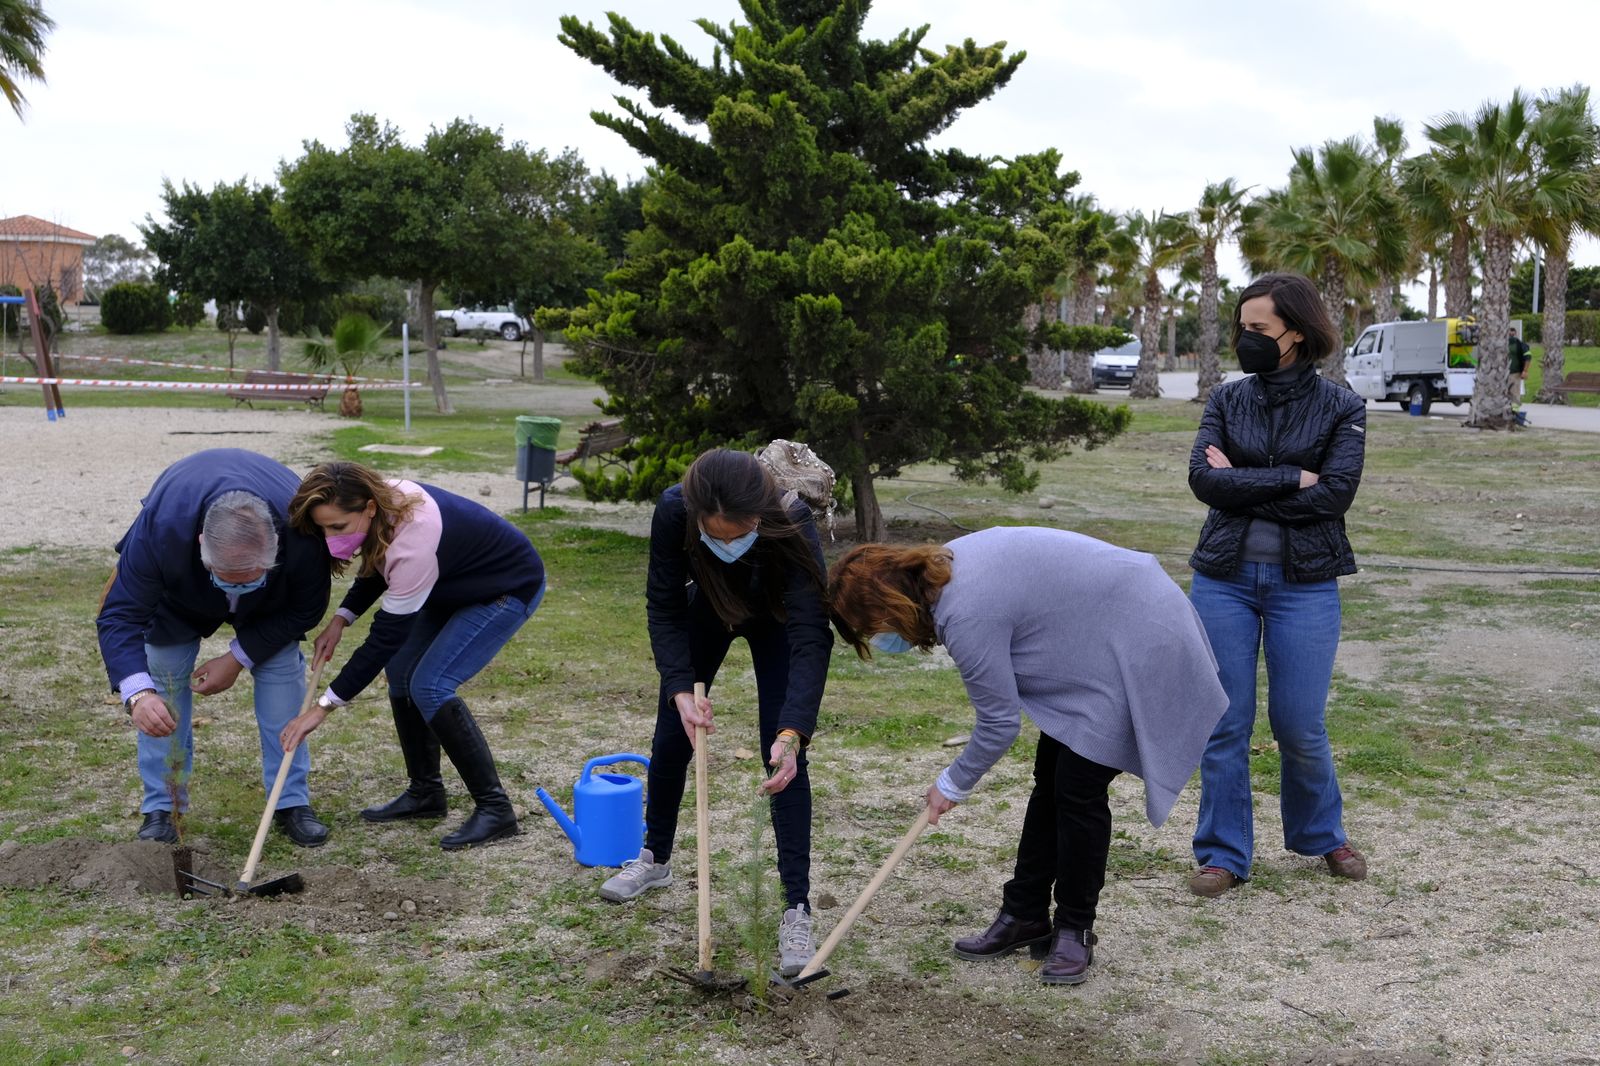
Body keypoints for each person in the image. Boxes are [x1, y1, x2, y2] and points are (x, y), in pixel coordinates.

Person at [827, 530, 1229, 986]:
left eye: (875, 627)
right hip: (1098, 632)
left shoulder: (965, 611)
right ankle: (1025, 914)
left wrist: (952, 783)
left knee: (1078, 788)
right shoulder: (942, 568)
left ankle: (1075, 928)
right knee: (1052, 776)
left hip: (1142, 632)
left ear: (890, 605)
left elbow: (999, 724)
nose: (882, 638)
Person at [598, 448, 833, 980]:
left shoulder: (789, 517)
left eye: (742, 531)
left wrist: (794, 731)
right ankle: (655, 857)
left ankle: (796, 907)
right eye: (719, 534)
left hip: (775, 620)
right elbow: (662, 605)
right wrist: (680, 689)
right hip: (707, 609)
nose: (731, 542)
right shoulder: (674, 511)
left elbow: (810, 633)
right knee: (673, 734)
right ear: (698, 514)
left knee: (784, 760)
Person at [1185, 272, 1369, 899]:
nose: (1246, 339)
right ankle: (1222, 854)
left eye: (1257, 329)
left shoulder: (1344, 406)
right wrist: (1295, 478)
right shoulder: (1225, 399)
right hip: (1222, 581)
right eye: (1242, 328)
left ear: (1295, 332)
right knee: (1224, 721)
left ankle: (1322, 834)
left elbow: (1337, 495)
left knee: (1298, 723)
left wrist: (1245, 481)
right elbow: (1205, 484)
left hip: (1306, 585)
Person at [281, 462, 545, 851]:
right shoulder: (381, 505)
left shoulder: (415, 540)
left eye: (336, 527)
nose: (329, 537)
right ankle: (426, 793)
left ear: (369, 507)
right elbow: (376, 563)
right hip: (449, 583)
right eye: (323, 528)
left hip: (504, 588)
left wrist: (322, 707)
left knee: (431, 685)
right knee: (402, 671)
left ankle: (495, 809)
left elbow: (384, 637)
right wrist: (341, 618)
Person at [96, 449, 332, 846]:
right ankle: (163, 806)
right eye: (227, 577)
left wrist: (239, 657)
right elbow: (120, 616)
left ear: (276, 549)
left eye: (249, 577)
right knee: (163, 686)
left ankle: (289, 801)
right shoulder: (162, 530)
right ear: (202, 543)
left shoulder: (301, 529)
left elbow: (306, 608)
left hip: (268, 609)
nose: (236, 587)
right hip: (179, 596)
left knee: (282, 690)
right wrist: (138, 694)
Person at [1509, 331, 1532, 426]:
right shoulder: (1501, 344)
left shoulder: (1520, 344)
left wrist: (1525, 371)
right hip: (1502, 374)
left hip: (1515, 373)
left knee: (1514, 392)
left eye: (1512, 333)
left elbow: (1528, 357)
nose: (1511, 334)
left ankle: (1515, 413)